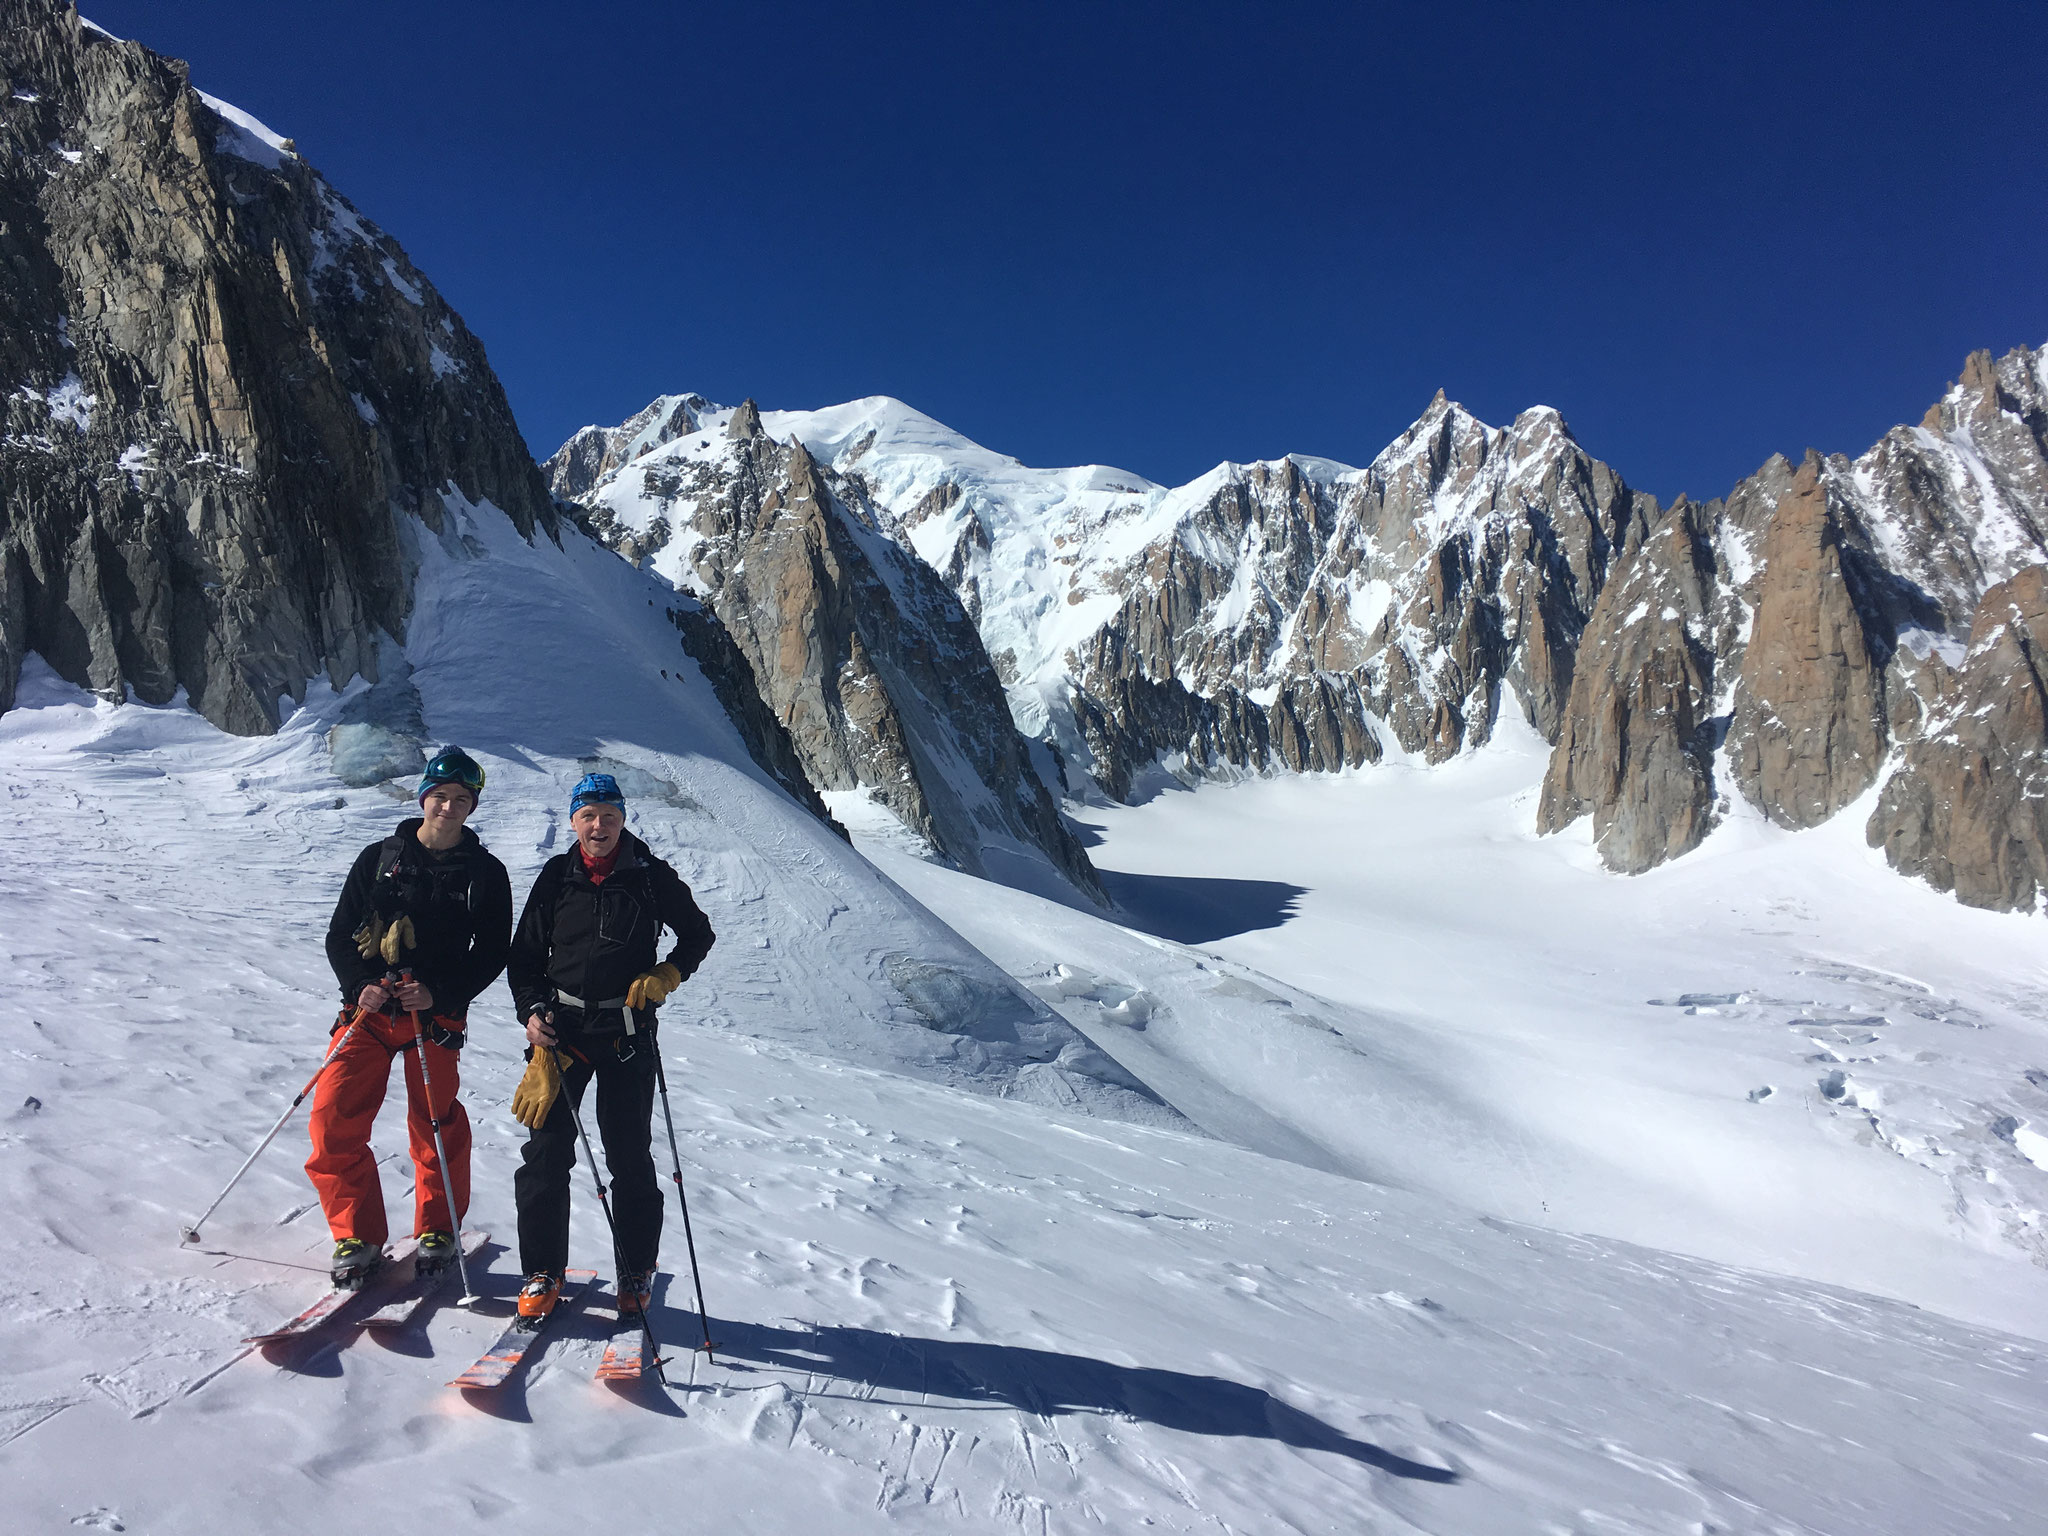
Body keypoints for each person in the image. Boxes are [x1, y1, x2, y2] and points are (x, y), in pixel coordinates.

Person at [507, 772, 715, 1320]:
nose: (599, 826)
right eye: (588, 816)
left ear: (623, 819)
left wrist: (668, 972)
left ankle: (635, 1268)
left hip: (627, 1034)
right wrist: (531, 1014)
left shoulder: (649, 877)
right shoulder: (556, 878)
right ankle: (542, 1272)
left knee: (628, 1156)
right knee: (545, 1157)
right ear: (573, 821)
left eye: (609, 816)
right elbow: (524, 960)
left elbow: (698, 933)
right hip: (561, 1033)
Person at [313, 747, 513, 1286]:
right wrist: (359, 985)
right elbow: (339, 934)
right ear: (424, 798)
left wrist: (441, 993)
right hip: (370, 1009)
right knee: (334, 1118)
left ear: (472, 807)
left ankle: (438, 1229)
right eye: (440, 797)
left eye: (461, 800)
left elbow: (493, 952)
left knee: (436, 1123)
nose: (448, 808)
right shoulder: (380, 857)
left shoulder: (486, 875)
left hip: (434, 1016)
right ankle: (355, 1235)